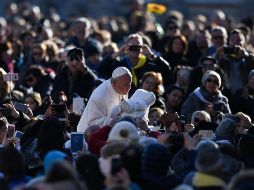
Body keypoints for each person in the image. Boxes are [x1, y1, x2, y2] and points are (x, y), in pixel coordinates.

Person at [77, 67, 132, 132]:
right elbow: (91, 125)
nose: (129, 87)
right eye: (126, 84)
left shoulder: (123, 88)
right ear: (114, 83)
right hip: (89, 137)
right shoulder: (100, 96)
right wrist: (114, 119)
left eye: (130, 83)